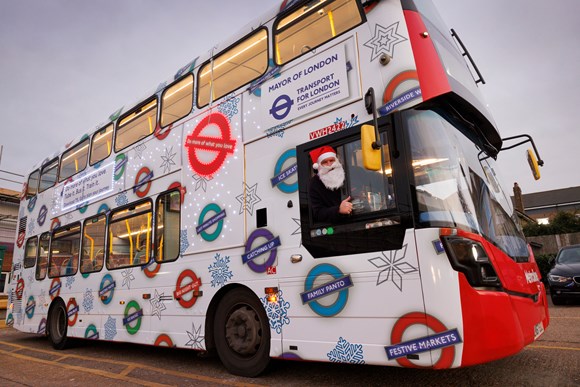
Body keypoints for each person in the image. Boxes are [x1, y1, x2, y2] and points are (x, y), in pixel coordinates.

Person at [308, 145, 353, 223]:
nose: (329, 165)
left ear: (336, 161)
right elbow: (318, 213)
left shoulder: (351, 171)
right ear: (319, 166)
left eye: (331, 160)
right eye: (325, 162)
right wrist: (338, 209)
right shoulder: (314, 184)